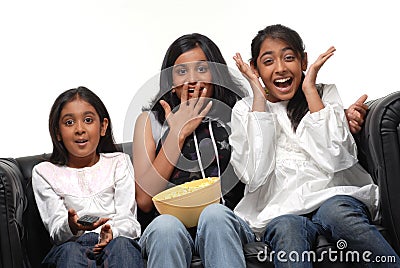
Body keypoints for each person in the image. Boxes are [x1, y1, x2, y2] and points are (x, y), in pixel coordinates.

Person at [228, 24, 400, 267]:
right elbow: (254, 175)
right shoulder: (246, 109)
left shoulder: (323, 95)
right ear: (254, 68)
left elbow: (335, 158)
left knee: (338, 213)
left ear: (304, 60)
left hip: (332, 196)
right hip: (279, 209)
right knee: (287, 229)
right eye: (268, 61)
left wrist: (310, 90)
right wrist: (258, 97)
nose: (280, 68)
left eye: (289, 58)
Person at [132, 33, 251, 268]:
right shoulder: (149, 121)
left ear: (216, 75)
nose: (192, 79)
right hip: (169, 225)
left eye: (201, 69)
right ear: (171, 82)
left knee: (214, 215)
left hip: (227, 220)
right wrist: (177, 133)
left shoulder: (237, 113)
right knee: (166, 227)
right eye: (182, 72)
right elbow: (145, 200)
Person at [32, 86, 143, 268]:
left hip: (114, 242)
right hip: (71, 246)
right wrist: (72, 226)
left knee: (123, 246)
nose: (80, 129)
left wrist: (112, 232)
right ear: (57, 132)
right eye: (69, 123)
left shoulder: (119, 162)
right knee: (70, 251)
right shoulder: (44, 172)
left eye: (88, 120)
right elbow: (56, 232)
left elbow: (129, 221)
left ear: (103, 126)